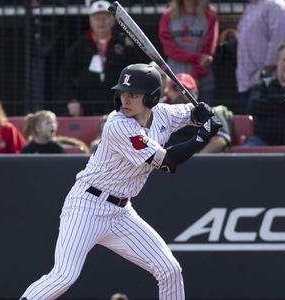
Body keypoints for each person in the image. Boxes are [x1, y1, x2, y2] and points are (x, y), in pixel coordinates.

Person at [19, 63, 220, 299]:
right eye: (123, 93)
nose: (126, 100)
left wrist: (203, 112)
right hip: (87, 206)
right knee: (64, 275)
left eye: (134, 94)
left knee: (169, 269)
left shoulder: (163, 113)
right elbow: (166, 163)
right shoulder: (119, 125)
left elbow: (191, 112)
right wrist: (202, 136)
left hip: (121, 212)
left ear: (152, 98)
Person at [58, 0, 144, 116]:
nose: (101, 22)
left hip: (118, 101)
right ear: (90, 21)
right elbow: (66, 74)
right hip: (86, 102)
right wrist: (72, 99)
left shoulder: (124, 42)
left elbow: (136, 70)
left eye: (105, 17)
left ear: (113, 19)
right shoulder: (80, 45)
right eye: (97, 18)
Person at [236, 0, 285, 113]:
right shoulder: (251, 7)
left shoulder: (276, 6)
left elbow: (282, 42)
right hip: (247, 83)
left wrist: (265, 72)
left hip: (267, 87)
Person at [246, 40, 285, 146]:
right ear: (277, 61)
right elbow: (253, 106)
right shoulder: (263, 85)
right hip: (262, 141)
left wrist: (270, 102)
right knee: (245, 158)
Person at [158, 0, 218, 104]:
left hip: (201, 80)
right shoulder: (168, 15)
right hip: (175, 82)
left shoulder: (210, 16)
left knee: (205, 119)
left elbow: (207, 52)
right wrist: (197, 58)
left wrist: (194, 77)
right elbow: (169, 49)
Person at [165, 72, 232, 153]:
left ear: (196, 93)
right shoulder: (162, 113)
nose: (180, 94)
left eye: (185, 90)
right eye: (176, 89)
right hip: (165, 161)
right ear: (168, 92)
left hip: (200, 162)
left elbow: (220, 140)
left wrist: (197, 161)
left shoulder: (209, 113)